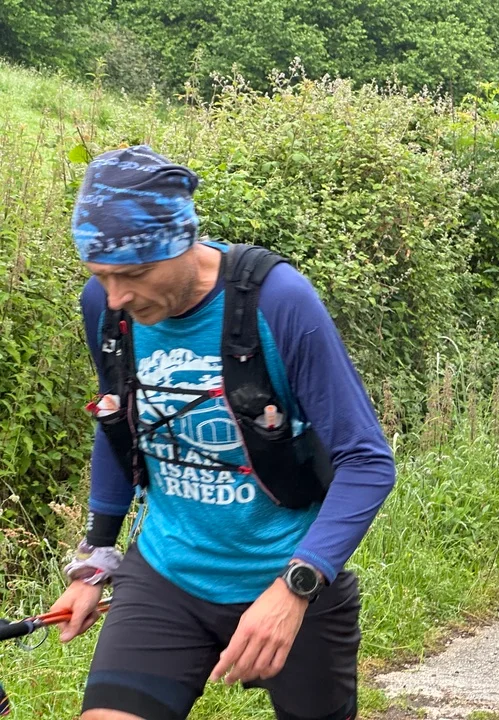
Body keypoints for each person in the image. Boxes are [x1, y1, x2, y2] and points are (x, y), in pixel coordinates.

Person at [50, 146, 397, 720]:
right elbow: (117, 419)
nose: (116, 297)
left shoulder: (278, 301)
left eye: (132, 274)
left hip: (288, 576)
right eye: (101, 276)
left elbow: (366, 462)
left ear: (183, 242)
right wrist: (97, 559)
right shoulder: (108, 309)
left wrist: (296, 587)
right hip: (166, 576)